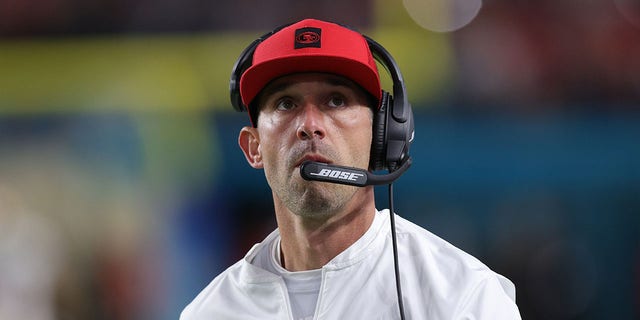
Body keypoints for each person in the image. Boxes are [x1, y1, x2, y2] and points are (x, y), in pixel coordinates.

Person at [180, 18, 521, 320]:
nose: (310, 125)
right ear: (253, 147)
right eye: (286, 103)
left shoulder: (462, 297)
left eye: (336, 100)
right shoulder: (209, 312)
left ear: (383, 136)